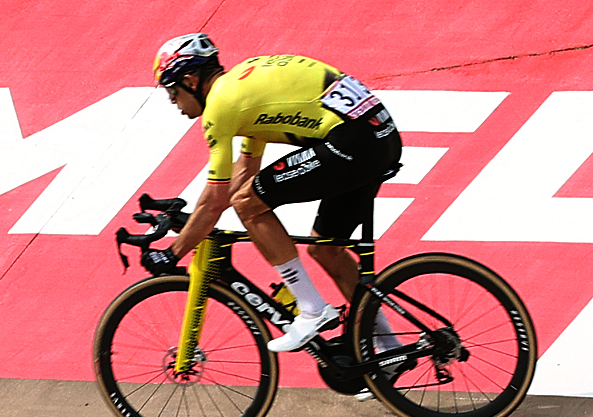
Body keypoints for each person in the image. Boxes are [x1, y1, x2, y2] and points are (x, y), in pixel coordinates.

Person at [146, 36, 404, 356]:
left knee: (247, 205)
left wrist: (171, 254)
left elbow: (220, 200)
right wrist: (190, 221)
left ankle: (311, 309)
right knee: (328, 250)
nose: (173, 101)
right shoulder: (240, 88)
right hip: (378, 137)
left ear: (191, 80)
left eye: (172, 91)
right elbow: (243, 174)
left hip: (352, 141)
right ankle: (390, 348)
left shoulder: (219, 108)